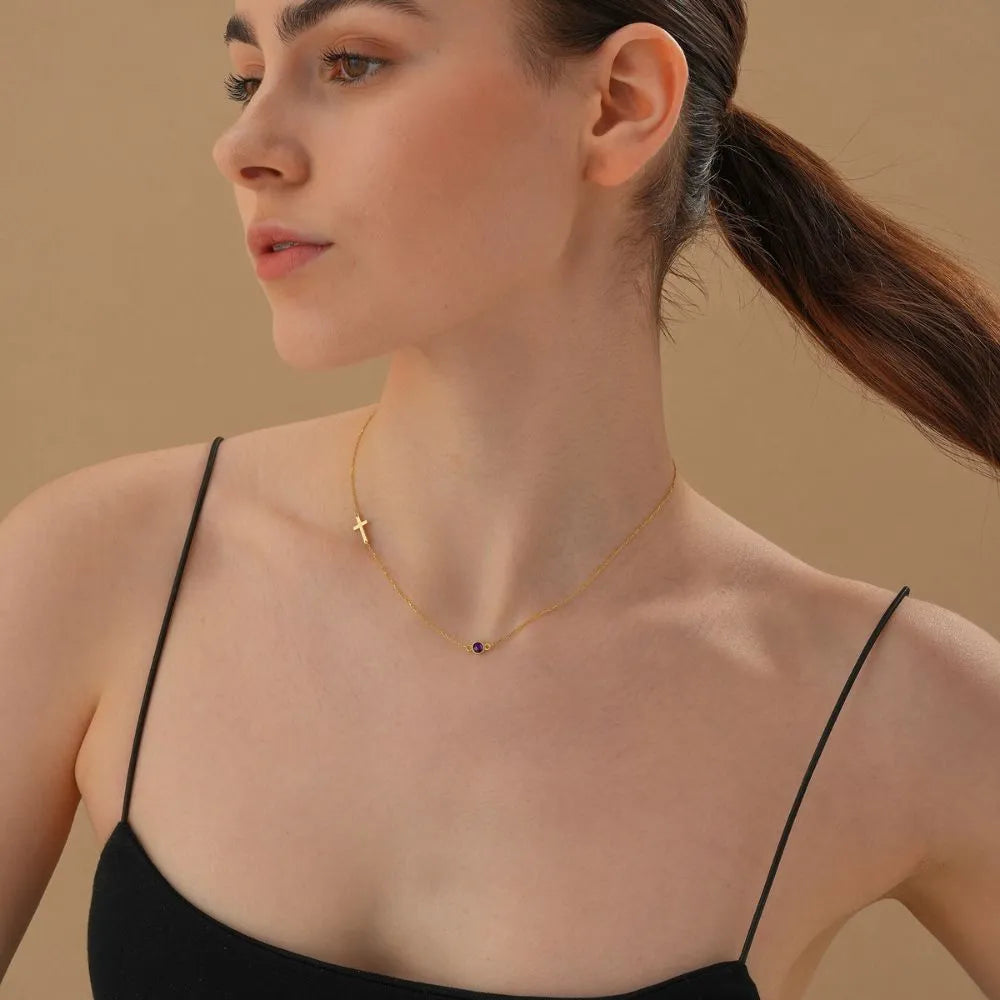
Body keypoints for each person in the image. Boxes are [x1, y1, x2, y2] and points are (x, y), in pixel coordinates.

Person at [4, 1, 999, 998]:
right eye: (244, 72)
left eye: (348, 62)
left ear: (619, 104)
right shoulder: (102, 570)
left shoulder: (889, 706)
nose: (243, 143)